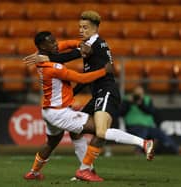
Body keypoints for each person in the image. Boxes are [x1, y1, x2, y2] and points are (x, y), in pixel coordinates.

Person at [23, 31, 154, 182]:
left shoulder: (43, 55)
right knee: (100, 130)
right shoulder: (51, 67)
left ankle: (33, 172)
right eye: (51, 43)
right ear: (42, 47)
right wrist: (104, 71)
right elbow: (80, 78)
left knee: (51, 143)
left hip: (48, 111)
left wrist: (79, 44)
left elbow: (64, 45)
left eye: (54, 41)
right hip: (60, 113)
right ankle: (142, 143)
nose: (55, 44)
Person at [120, 86, 180, 155]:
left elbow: (151, 111)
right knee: (143, 131)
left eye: (140, 94)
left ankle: (177, 149)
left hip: (149, 127)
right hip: (133, 126)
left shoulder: (147, 99)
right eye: (136, 94)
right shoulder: (127, 100)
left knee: (160, 133)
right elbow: (121, 113)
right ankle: (138, 150)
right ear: (133, 93)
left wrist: (141, 104)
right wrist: (128, 103)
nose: (138, 96)